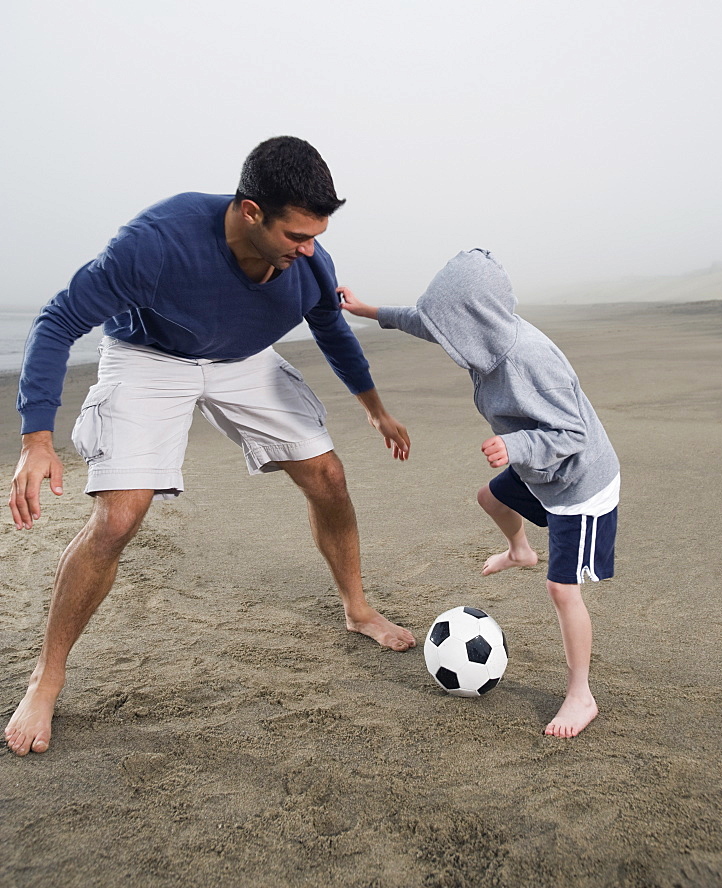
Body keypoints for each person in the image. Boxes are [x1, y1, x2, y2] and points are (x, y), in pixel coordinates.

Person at [5, 136, 416, 757]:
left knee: (328, 476)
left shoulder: (308, 263)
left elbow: (331, 329)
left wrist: (375, 409)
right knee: (118, 518)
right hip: (150, 357)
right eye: (297, 236)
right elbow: (58, 319)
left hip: (241, 358)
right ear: (250, 211)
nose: (310, 251)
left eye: (316, 236)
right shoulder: (155, 244)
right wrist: (37, 438)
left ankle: (358, 609)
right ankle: (47, 676)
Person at [338, 248, 620, 738]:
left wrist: (515, 444)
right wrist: (370, 312)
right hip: (540, 473)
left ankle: (581, 695)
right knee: (489, 498)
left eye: (451, 327)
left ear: (475, 320)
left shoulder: (528, 359)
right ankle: (520, 550)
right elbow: (425, 321)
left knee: (562, 589)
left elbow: (573, 434)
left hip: (579, 483)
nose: (445, 339)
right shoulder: (480, 335)